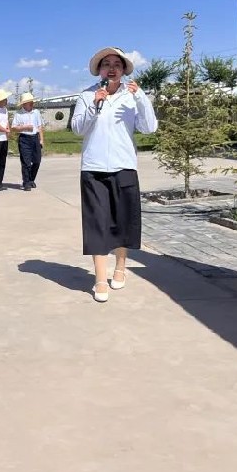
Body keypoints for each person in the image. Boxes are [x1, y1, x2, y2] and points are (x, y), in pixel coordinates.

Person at [71, 46, 156, 303]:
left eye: (116, 64)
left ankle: (120, 267)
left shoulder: (132, 96)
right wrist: (95, 106)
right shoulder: (87, 96)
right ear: (99, 70)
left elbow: (149, 127)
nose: (111, 68)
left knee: (122, 222)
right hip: (93, 169)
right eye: (106, 63)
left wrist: (140, 97)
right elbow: (77, 129)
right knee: (97, 224)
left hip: (124, 167)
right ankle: (99, 278)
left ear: (123, 69)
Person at [12, 93, 44, 191]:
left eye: (32, 102)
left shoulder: (36, 112)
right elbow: (13, 128)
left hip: (35, 138)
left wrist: (41, 139)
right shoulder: (18, 114)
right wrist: (24, 127)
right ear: (24, 104)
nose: (31, 103)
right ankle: (26, 182)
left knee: (37, 161)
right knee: (26, 162)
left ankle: (31, 179)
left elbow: (39, 127)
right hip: (24, 139)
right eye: (29, 102)